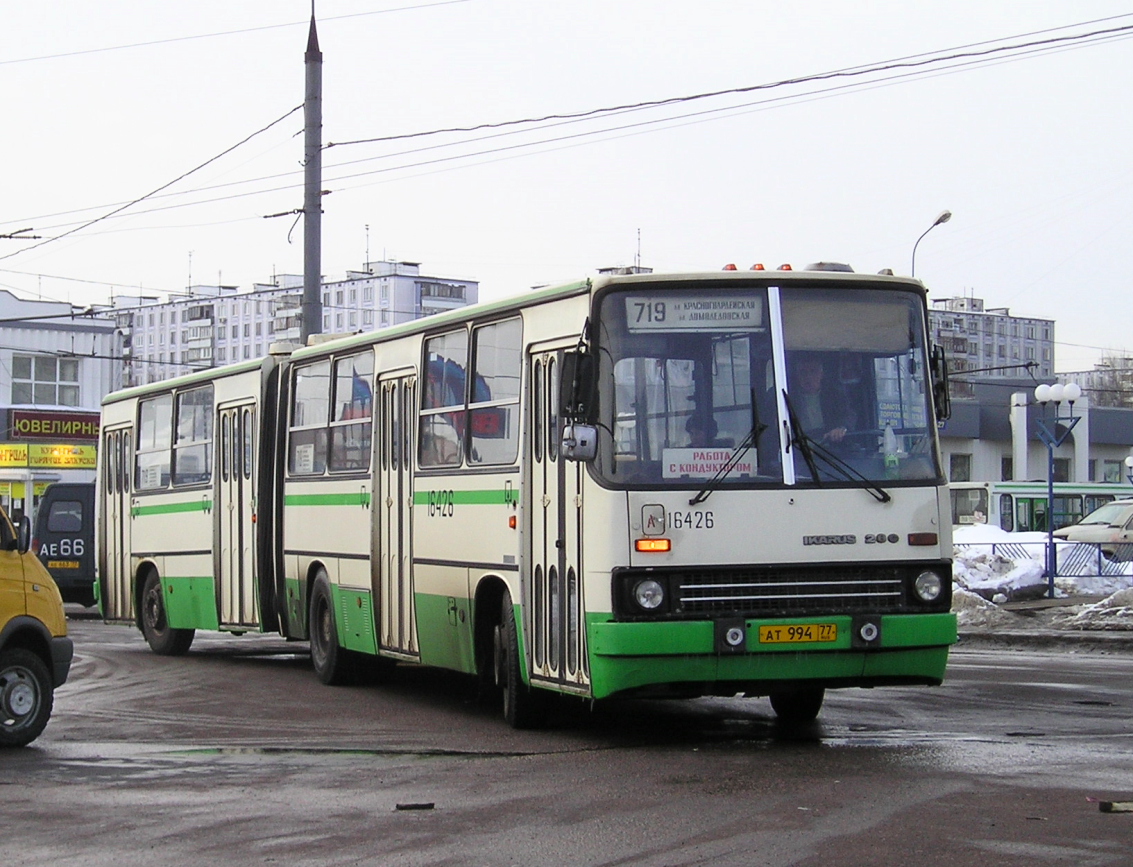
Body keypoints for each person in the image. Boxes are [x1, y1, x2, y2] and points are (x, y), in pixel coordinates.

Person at [790, 356, 849, 444]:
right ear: (797, 375)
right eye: (803, 372)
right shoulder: (788, 399)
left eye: (813, 371)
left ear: (821, 374)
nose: (808, 377)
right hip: (796, 452)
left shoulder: (834, 395)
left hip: (829, 451)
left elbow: (848, 415)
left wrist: (840, 428)